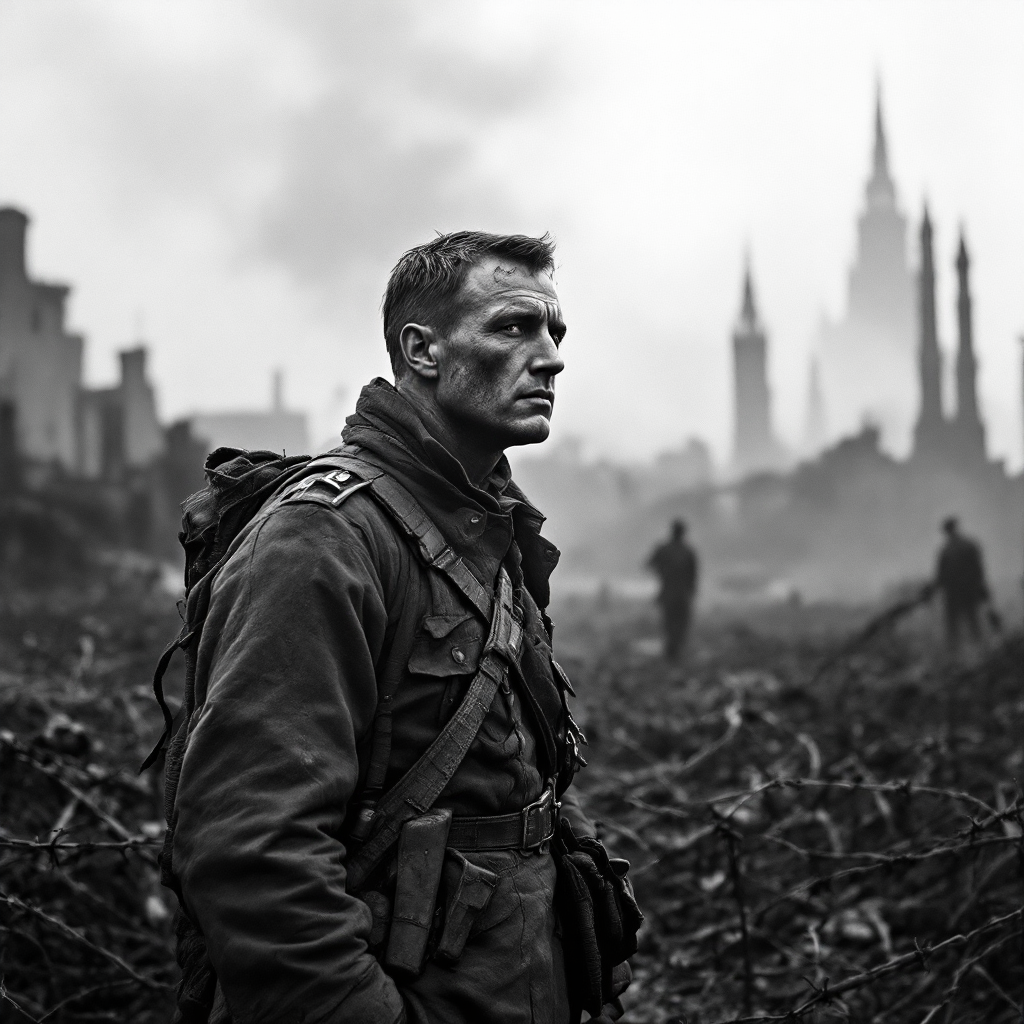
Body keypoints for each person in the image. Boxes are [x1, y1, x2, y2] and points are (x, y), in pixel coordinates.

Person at [168, 232, 638, 1024]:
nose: (552, 357)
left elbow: (516, 783)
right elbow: (253, 855)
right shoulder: (324, 537)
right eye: (515, 327)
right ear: (422, 350)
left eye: (557, 333)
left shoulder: (487, 528)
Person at [935, 516, 990, 650]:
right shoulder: (967, 545)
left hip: (957, 594)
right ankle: (977, 650)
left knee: (957, 625)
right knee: (970, 622)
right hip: (964, 592)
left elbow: (940, 577)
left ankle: (962, 653)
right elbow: (979, 570)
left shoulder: (946, 551)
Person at [647, 519, 699, 661]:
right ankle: (674, 650)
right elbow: (693, 576)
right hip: (681, 593)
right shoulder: (688, 551)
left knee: (670, 622)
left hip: (669, 592)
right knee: (680, 622)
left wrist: (662, 572)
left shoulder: (664, 549)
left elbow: (649, 565)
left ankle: (672, 649)